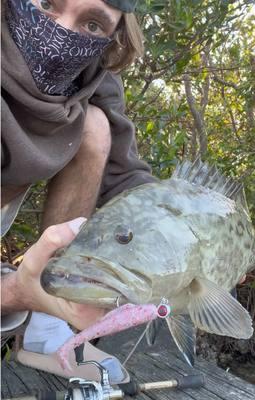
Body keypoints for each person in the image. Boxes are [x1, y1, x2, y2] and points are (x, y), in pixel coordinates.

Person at [1, 0, 157, 383]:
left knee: (96, 125)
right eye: (45, 3)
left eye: (91, 25)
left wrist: (175, 227)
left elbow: (124, 171)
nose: (61, 34)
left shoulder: (92, 72)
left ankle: (47, 332)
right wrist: (16, 292)